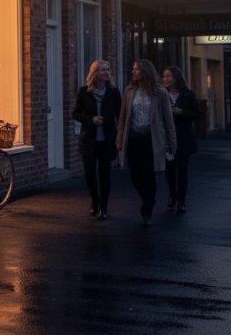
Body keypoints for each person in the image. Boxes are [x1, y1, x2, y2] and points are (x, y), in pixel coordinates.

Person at [116, 59, 177, 226]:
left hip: (152, 139)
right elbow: (123, 118)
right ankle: (148, 199)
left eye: (136, 70)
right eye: (133, 69)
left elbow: (168, 119)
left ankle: (148, 210)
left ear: (145, 72)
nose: (133, 72)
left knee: (149, 176)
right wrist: (120, 139)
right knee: (135, 176)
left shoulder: (160, 93)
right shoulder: (129, 91)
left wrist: (172, 143)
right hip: (134, 138)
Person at [72, 60, 122, 220]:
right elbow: (76, 113)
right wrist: (90, 119)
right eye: (102, 70)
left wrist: (121, 135)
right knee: (90, 174)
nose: (106, 72)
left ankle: (104, 207)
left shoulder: (113, 92)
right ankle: (95, 200)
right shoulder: (84, 92)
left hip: (107, 139)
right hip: (89, 139)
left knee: (105, 174)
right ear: (95, 73)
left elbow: (120, 115)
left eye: (108, 69)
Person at [162, 66, 200, 213]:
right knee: (169, 170)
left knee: (182, 170)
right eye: (164, 76)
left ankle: (182, 201)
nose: (165, 79)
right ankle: (172, 195)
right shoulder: (161, 94)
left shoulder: (187, 94)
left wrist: (183, 112)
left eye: (168, 76)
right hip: (166, 138)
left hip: (183, 137)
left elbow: (197, 114)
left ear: (176, 78)